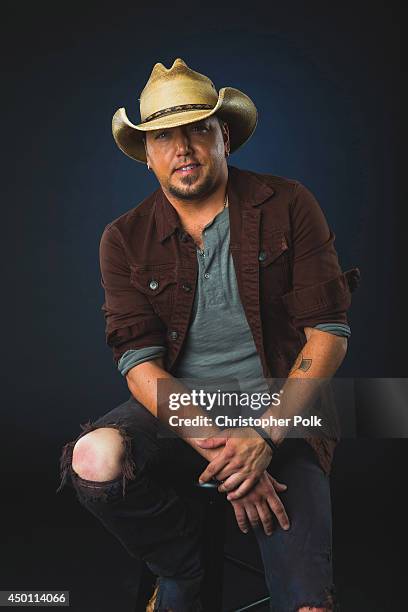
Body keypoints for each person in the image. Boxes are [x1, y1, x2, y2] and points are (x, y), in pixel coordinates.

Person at [56, 58, 360, 611]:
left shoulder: (290, 204)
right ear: (146, 157)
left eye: (199, 129)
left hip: (281, 407)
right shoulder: (123, 238)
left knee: (310, 606)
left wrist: (264, 440)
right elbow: (140, 362)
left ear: (225, 136)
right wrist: (229, 453)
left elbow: (328, 334)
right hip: (182, 413)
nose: (184, 148)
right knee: (94, 457)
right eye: (164, 137)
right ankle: (184, 561)